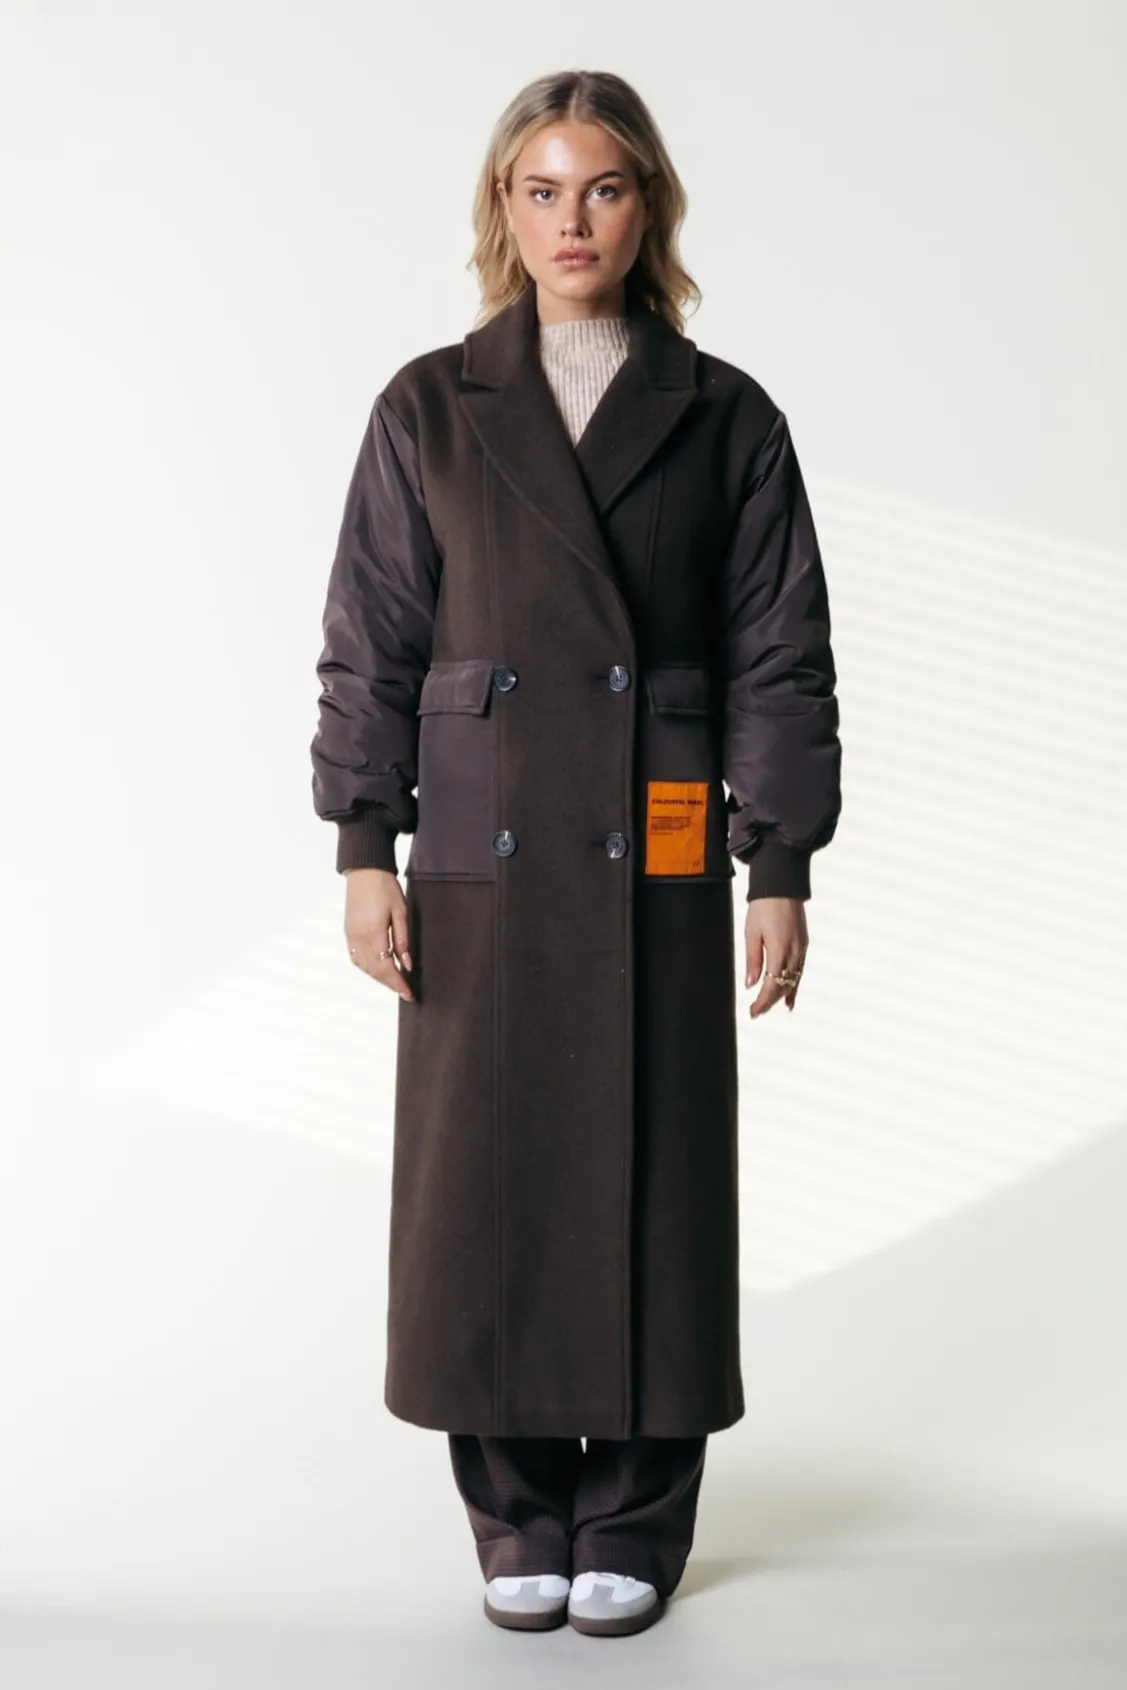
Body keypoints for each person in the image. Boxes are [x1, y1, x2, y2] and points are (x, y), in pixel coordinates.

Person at [310, 69, 842, 1638]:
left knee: (657, 1169)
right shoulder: (429, 406)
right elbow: (371, 639)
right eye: (540, 190)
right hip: (475, 853)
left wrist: (778, 862)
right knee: (483, 1178)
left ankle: (636, 1508)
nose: (570, 221)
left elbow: (778, 654)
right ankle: (515, 1504)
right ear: (503, 207)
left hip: (656, 843)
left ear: (645, 206)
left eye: (601, 188)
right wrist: (363, 841)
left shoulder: (725, 414)